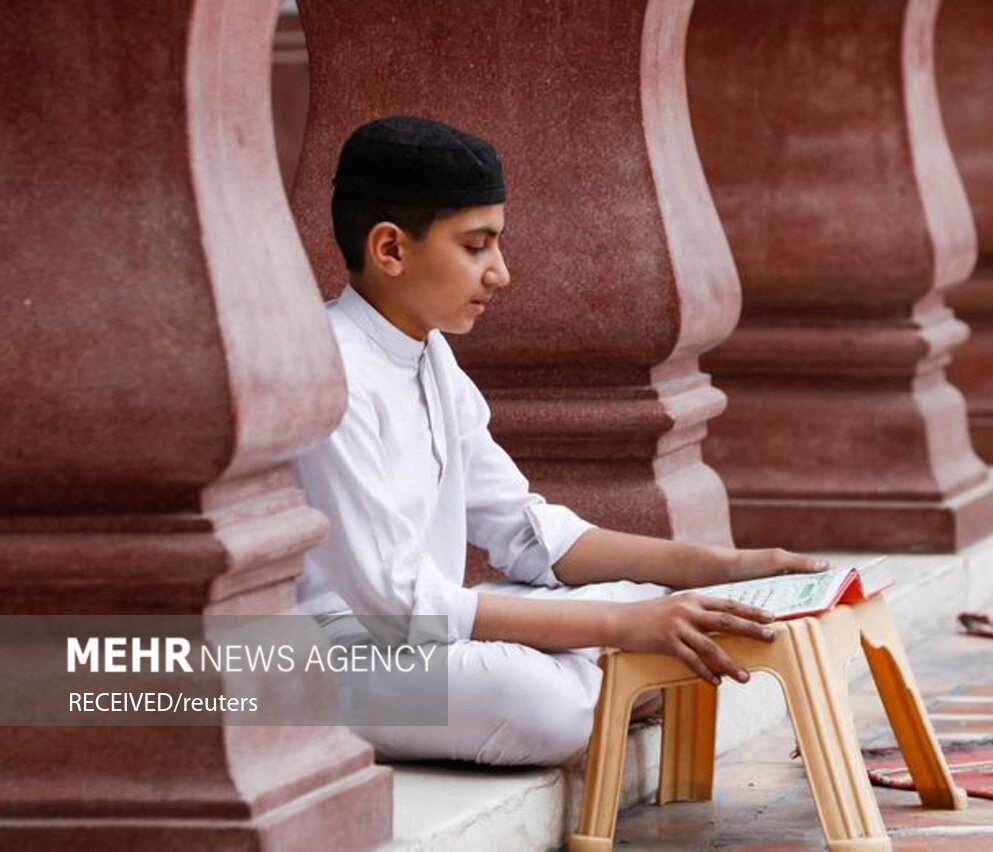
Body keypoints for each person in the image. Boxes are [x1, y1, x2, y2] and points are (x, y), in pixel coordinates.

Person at [292, 115, 828, 766]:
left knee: (664, 606)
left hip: (424, 640)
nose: (501, 274)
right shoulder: (330, 373)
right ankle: (613, 677)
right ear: (391, 249)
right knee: (540, 702)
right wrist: (619, 628)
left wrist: (727, 566)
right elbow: (398, 606)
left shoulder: (428, 355)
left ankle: (612, 674)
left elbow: (529, 533)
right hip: (330, 661)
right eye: (476, 246)